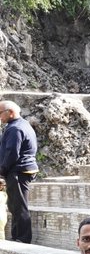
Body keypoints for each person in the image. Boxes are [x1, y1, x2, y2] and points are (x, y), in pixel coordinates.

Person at [0, 100, 38, 243]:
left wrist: (1, 172)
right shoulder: (19, 125)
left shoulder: (15, 128)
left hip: (19, 171)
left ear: (10, 112)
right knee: (15, 205)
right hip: (22, 170)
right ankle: (17, 237)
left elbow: (11, 153)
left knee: (19, 206)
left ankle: (22, 238)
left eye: (0, 113)